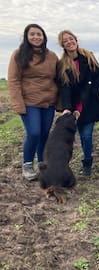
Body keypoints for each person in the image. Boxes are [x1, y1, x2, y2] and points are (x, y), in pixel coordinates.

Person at [8, 24, 58, 181]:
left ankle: (43, 164)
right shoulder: (18, 55)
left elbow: (59, 78)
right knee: (34, 133)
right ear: (27, 37)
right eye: (32, 34)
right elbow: (14, 80)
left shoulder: (52, 56)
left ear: (44, 37)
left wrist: (61, 102)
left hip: (48, 102)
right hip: (29, 102)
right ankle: (28, 165)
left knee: (44, 134)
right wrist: (18, 104)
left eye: (39, 34)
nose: (36, 37)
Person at [57, 30, 99, 176]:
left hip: (89, 104)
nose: (69, 42)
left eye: (71, 39)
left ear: (76, 40)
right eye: (66, 41)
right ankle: (63, 164)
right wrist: (67, 108)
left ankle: (87, 162)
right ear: (63, 45)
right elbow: (64, 88)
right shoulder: (62, 65)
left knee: (86, 135)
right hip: (73, 107)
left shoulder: (89, 57)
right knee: (74, 136)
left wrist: (93, 94)